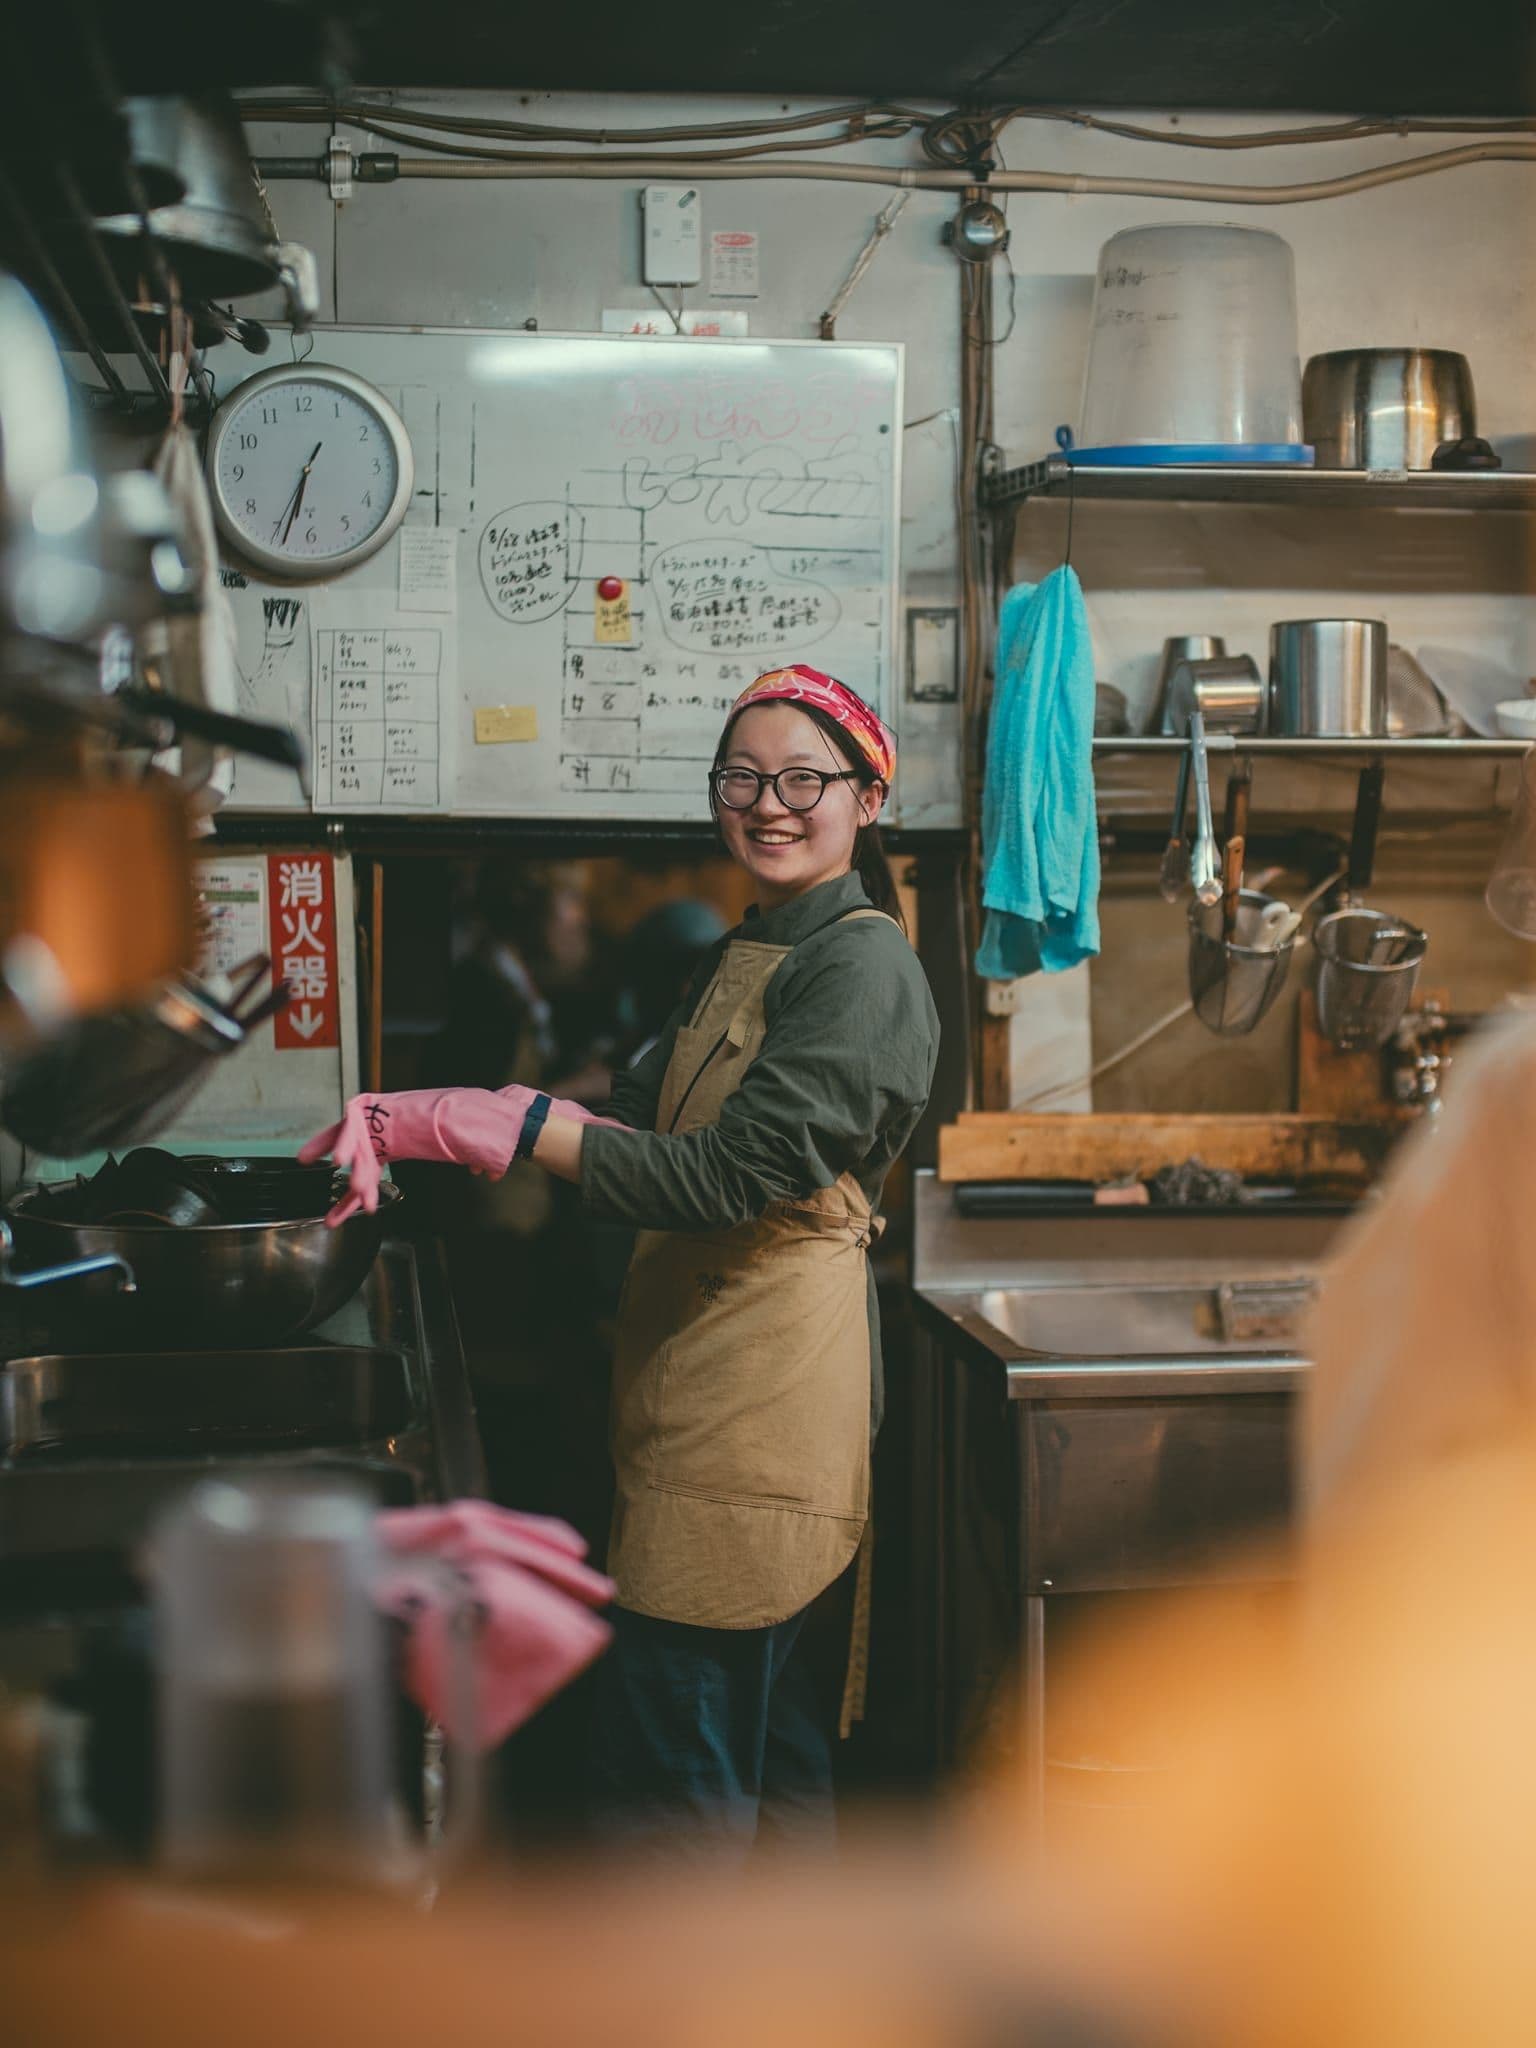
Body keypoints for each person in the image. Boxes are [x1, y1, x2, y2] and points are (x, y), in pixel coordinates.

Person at [302, 664, 939, 1858]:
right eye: (742, 776)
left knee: (672, 1789)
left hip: (763, 1419)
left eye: (807, 777)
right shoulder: (746, 948)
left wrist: (491, 1124)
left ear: (869, 797)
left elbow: (714, 1178)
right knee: (764, 1758)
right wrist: (438, 1108)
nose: (770, 802)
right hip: (704, 1395)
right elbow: (635, 1121)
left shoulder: (863, 967)